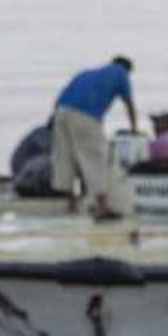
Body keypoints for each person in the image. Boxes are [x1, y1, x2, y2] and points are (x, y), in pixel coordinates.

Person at [50, 56, 138, 219]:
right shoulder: (121, 73)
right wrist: (134, 129)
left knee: (66, 157)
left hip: (61, 113)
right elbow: (129, 103)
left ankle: (70, 204)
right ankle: (101, 207)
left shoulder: (86, 73)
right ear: (127, 69)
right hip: (85, 115)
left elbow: (60, 98)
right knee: (95, 159)